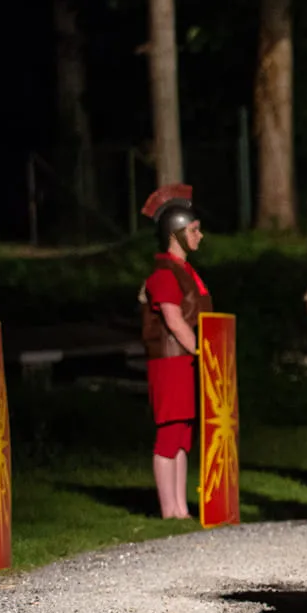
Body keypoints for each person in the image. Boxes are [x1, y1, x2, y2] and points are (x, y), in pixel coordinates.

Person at [139, 185, 210, 520]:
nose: (200, 236)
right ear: (176, 233)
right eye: (194, 230)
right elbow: (173, 319)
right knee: (169, 433)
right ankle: (168, 508)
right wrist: (202, 351)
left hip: (185, 361)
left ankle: (180, 508)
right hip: (171, 362)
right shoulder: (164, 274)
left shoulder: (185, 271)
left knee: (182, 433)